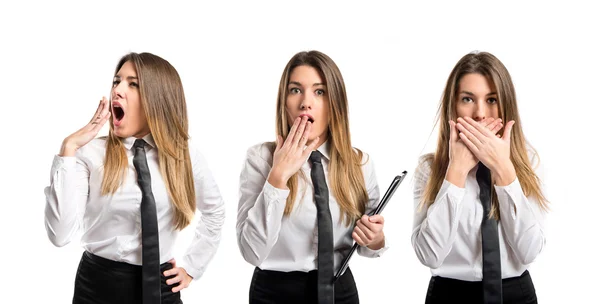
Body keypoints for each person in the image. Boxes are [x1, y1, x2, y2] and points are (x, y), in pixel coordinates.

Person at [44, 52, 225, 304]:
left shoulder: (184, 154)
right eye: (116, 81)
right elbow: (59, 235)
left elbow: (215, 211)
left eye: (133, 84)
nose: (117, 90)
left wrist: (193, 267)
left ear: (157, 97)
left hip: (162, 288)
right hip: (98, 288)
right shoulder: (91, 155)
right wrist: (69, 148)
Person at [236, 50, 387, 304]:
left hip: (341, 290)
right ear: (284, 101)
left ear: (334, 103)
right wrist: (278, 176)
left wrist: (375, 239)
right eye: (296, 90)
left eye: (320, 91)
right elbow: (251, 252)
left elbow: (369, 246)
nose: (306, 102)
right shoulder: (260, 158)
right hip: (274, 293)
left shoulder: (359, 163)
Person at [412, 51, 549, 304]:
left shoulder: (528, 161)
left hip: (515, 295)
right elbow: (429, 256)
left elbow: (529, 251)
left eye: (492, 99)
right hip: (449, 295)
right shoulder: (429, 169)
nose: (479, 113)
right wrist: (456, 172)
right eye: (467, 99)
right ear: (452, 107)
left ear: (506, 105)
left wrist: (503, 170)